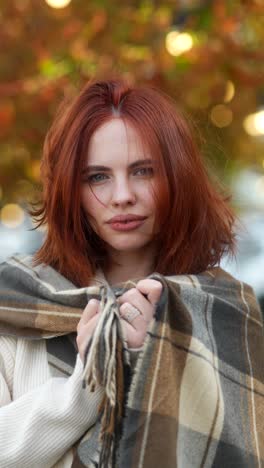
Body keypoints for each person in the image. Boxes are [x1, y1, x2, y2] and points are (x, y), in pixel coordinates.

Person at [0, 78, 263, 468]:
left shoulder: (226, 310)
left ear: (178, 179)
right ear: (71, 191)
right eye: (97, 177)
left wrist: (162, 357)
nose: (122, 195)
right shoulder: (15, 300)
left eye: (143, 171)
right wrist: (90, 382)